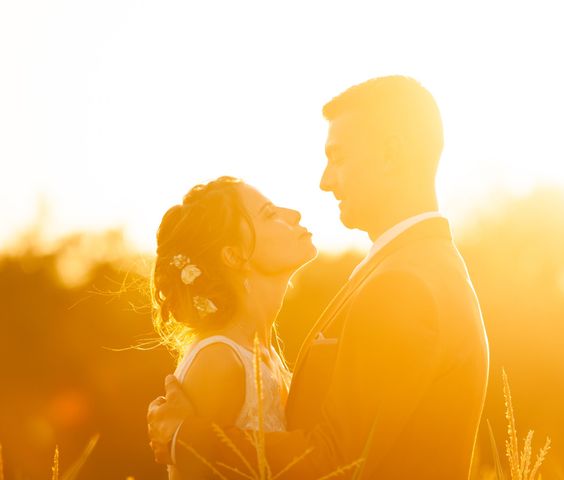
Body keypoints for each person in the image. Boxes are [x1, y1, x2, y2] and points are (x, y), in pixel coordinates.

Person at [148, 75, 490, 479]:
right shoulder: (419, 266)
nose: (325, 181)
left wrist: (189, 437)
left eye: (339, 157)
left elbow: (337, 461)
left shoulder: (403, 285)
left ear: (391, 155)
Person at [149, 176, 317, 479]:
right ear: (234, 255)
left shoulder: (266, 355)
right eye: (270, 214)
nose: (293, 214)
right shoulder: (218, 360)